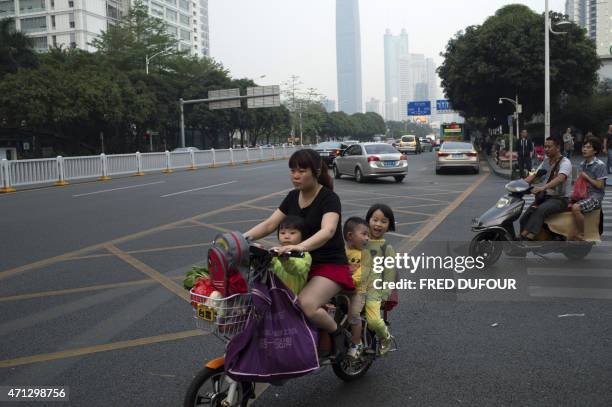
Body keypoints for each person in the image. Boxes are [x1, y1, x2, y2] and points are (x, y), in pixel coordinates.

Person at [243, 149, 353, 358]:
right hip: (296, 264)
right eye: (292, 170)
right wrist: (240, 239)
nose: (295, 175)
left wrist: (300, 247)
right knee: (268, 299)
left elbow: (328, 230)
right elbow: (269, 224)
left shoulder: (329, 198)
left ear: (316, 171)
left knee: (306, 305)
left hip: (328, 265)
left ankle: (338, 334)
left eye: (301, 170)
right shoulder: (293, 196)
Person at [519, 136, 573, 240]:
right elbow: (534, 175)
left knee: (540, 210)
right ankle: (521, 250)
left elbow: (560, 178)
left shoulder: (565, 162)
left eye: (549, 147)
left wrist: (543, 188)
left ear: (558, 147)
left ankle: (525, 237)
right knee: (524, 218)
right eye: (545, 147)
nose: (546, 149)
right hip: (545, 198)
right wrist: (519, 184)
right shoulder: (545, 162)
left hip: (560, 199)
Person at [363, 204, 396, 356]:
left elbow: (390, 273)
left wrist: (385, 294)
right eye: (374, 219)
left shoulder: (387, 248)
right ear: (368, 220)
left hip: (373, 290)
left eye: (383, 221)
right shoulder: (359, 240)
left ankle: (385, 337)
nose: (378, 224)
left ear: (389, 225)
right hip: (353, 286)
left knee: (374, 321)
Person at [343, 217, 370, 359]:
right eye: (364, 234)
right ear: (350, 236)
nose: (367, 238)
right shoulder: (342, 252)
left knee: (353, 315)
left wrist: (350, 280)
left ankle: (356, 343)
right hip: (340, 289)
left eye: (368, 235)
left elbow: (362, 274)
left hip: (357, 292)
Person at [570, 137, 607, 241]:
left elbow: (600, 185)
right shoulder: (582, 164)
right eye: (584, 147)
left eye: (588, 147)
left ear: (595, 151)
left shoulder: (600, 165)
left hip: (595, 197)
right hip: (583, 194)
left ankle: (582, 234)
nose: (584, 149)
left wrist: (587, 177)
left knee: (576, 208)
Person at [270, 216, 312, 294]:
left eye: (292, 233)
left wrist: (285, 259)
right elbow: (265, 269)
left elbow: (296, 269)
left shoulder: (304, 255)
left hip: (294, 297)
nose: (286, 236)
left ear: (303, 235)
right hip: (277, 295)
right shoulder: (277, 252)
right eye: (282, 233)